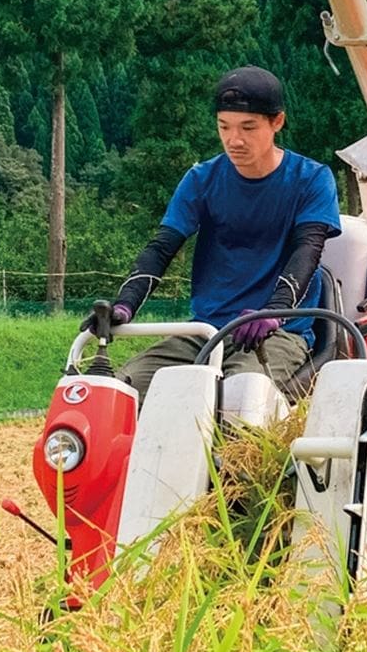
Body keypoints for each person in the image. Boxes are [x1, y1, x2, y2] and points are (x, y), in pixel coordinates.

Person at [82, 66, 341, 403]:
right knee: (119, 394)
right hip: (204, 331)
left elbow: (308, 249)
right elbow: (162, 248)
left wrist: (273, 312)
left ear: (277, 122)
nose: (235, 140)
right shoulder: (202, 179)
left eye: (248, 128)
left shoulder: (311, 179)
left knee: (240, 399)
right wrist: (125, 304)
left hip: (278, 333)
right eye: (224, 127)